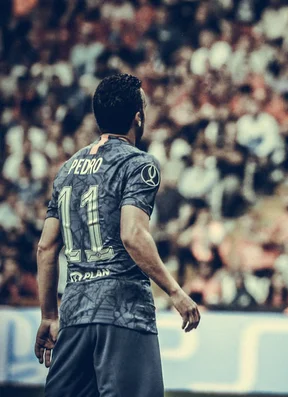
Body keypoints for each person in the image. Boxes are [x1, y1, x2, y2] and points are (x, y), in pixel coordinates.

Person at [34, 74, 200, 397]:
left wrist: (48, 315)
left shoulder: (67, 169)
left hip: (75, 313)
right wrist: (176, 292)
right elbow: (133, 235)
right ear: (138, 117)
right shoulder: (139, 164)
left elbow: (45, 247)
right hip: (124, 313)